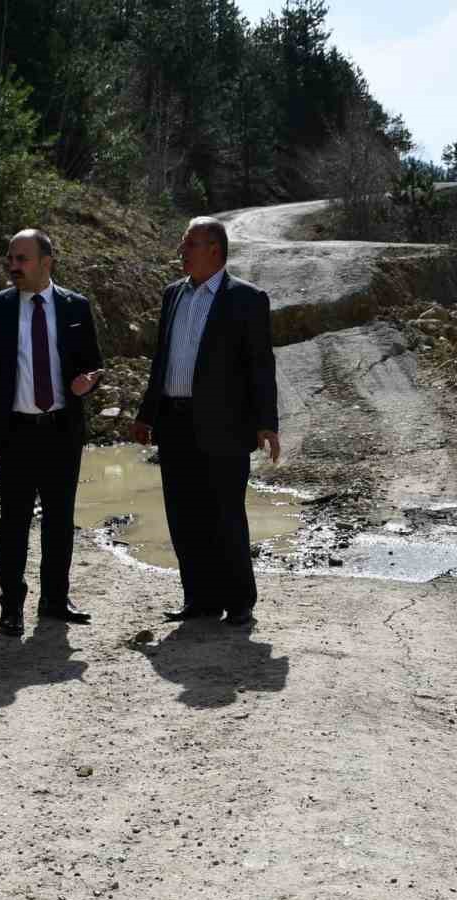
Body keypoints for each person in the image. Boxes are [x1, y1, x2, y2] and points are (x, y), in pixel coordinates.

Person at [131, 217, 280, 627]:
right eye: (184, 244)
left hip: (225, 425)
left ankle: (239, 601)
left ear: (214, 249)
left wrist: (266, 422)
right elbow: (161, 361)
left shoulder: (246, 299)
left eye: (189, 244)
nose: (182, 251)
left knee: (225, 513)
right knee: (184, 513)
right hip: (175, 422)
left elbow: (260, 365)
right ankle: (199, 599)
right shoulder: (172, 295)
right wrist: (147, 414)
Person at [0, 229, 104, 635]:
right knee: (14, 522)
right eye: (11, 258)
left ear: (47, 261)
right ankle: (12, 606)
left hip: (62, 428)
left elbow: (93, 364)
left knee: (60, 520)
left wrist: (88, 382)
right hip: (15, 431)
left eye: (22, 258)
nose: (13, 266)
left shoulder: (76, 306)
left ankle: (55, 601)